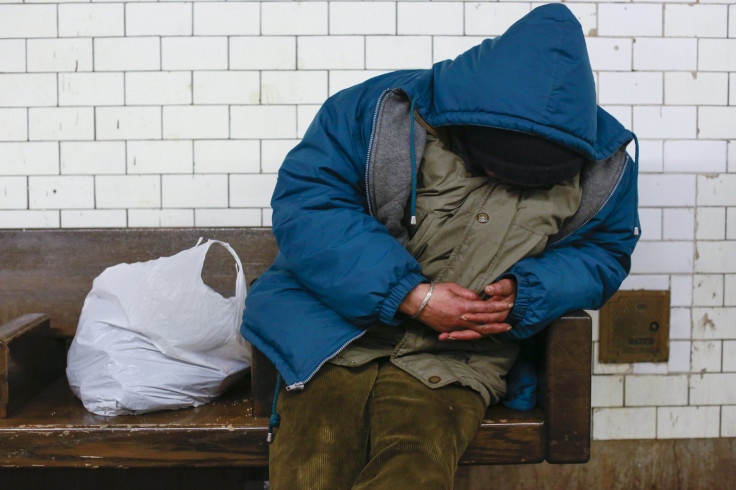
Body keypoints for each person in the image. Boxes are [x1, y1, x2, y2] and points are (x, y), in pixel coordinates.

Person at [241, 4, 640, 488]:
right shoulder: (377, 110)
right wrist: (413, 296)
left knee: (414, 470)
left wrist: (529, 293)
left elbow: (604, 253)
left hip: (457, 359)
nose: (505, 179)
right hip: (332, 336)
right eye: (496, 165)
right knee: (312, 467)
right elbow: (310, 205)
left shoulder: (605, 167)